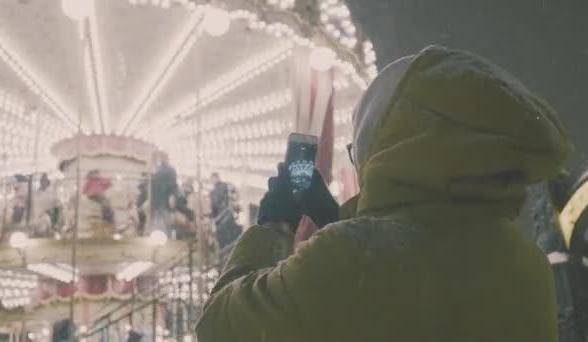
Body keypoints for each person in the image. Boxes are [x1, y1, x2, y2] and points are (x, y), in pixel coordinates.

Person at [196, 46, 572, 341]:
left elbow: (220, 326)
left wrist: (273, 226)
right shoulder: (525, 262)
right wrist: (339, 220)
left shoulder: (352, 256)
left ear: (390, 145)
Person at [150, 151, 178, 236]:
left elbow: (173, 184)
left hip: (160, 198)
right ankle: (166, 235)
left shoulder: (158, 170)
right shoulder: (166, 170)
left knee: (161, 219)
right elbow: (173, 185)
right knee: (163, 219)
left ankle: (164, 235)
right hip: (162, 198)